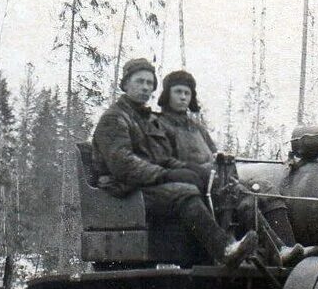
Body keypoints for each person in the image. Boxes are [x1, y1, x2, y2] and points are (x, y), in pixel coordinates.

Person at [91, 58, 258, 268]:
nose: (145, 88)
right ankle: (223, 249)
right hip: (121, 190)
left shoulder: (147, 120)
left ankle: (244, 250)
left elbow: (162, 157)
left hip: (144, 186)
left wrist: (191, 170)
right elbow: (123, 165)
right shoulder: (115, 119)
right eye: (139, 81)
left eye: (149, 83)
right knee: (183, 191)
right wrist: (165, 175)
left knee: (210, 185)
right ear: (125, 84)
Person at [157, 69, 317, 267]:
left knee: (264, 188)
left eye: (187, 93)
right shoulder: (160, 125)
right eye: (178, 92)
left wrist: (221, 160)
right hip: (189, 183)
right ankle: (274, 250)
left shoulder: (196, 128)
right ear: (167, 94)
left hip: (212, 179)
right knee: (244, 197)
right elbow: (165, 161)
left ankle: (287, 248)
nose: (183, 97)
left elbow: (213, 154)